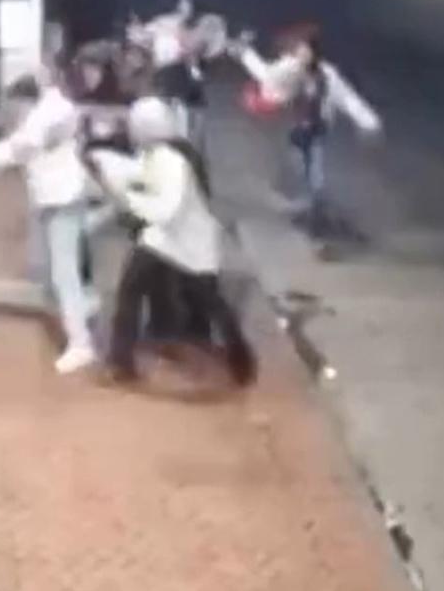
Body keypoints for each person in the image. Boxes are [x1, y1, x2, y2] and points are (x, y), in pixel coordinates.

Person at [84, 97, 257, 386]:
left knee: (210, 300)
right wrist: (103, 161)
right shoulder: (156, 153)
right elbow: (136, 173)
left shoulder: (172, 159)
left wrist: (127, 199)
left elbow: (166, 209)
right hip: (161, 239)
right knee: (130, 289)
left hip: (189, 242)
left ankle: (241, 358)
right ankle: (121, 363)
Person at [0, 73, 98, 375]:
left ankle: (81, 343)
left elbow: (5, 153)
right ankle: (85, 307)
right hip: (61, 198)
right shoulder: (50, 112)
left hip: (63, 199)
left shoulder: (39, 122)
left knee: (63, 273)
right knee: (59, 273)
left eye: (15, 107)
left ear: (26, 102)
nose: (12, 115)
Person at [231, 28, 382, 235]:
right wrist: (245, 53)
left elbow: (346, 98)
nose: (304, 55)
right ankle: (302, 205)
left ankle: (314, 213)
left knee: (312, 171)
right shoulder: (288, 69)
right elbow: (265, 74)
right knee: (295, 167)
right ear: (294, 51)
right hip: (289, 128)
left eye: (308, 50)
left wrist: (369, 122)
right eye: (300, 50)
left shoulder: (327, 74)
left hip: (316, 128)